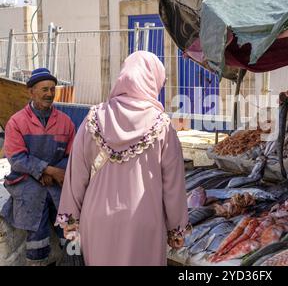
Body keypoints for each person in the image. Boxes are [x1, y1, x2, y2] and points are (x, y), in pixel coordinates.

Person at [57, 51, 189, 266]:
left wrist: (70, 220)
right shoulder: (162, 126)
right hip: (144, 222)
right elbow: (173, 185)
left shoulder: (93, 118)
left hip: (97, 221)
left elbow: (76, 174)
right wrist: (177, 229)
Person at [1, 68, 75, 266]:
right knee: (37, 234)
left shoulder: (66, 123)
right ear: (31, 92)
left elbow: (72, 156)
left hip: (58, 182)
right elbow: (16, 158)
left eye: (52, 89)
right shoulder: (16, 122)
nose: (49, 94)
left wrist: (56, 172)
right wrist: (48, 170)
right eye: (44, 89)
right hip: (27, 184)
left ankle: (73, 260)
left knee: (71, 229)